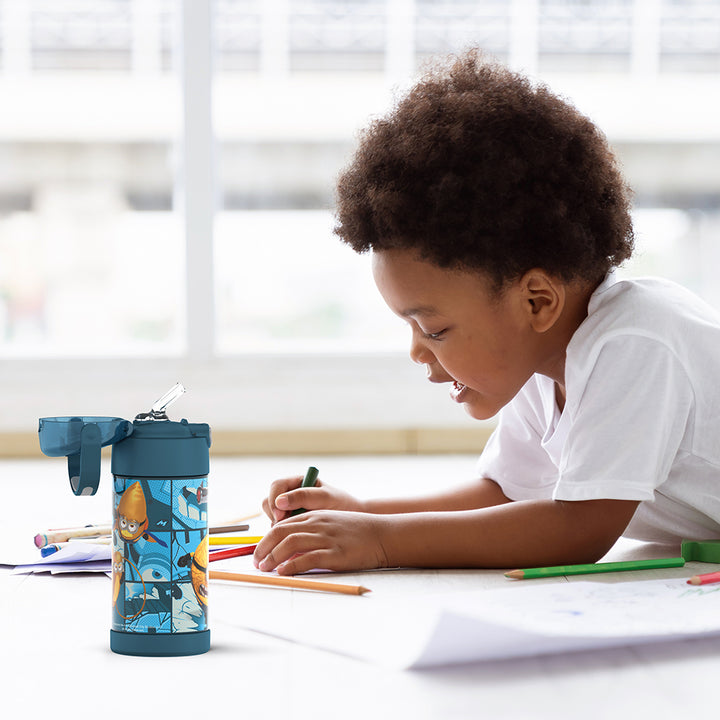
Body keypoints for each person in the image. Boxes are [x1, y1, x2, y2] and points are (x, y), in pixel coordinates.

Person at [253, 49, 720, 576]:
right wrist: (360, 514)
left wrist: (380, 541)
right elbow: (504, 494)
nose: (416, 351)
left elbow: (580, 529)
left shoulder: (635, 341)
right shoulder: (541, 361)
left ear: (536, 301)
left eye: (434, 328)